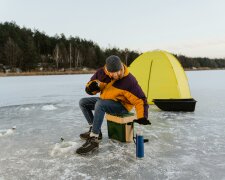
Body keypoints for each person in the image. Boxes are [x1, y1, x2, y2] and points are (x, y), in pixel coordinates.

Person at [76, 55, 150, 155]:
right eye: (113, 72)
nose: (117, 74)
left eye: (119, 70)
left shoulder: (129, 80)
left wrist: (142, 117)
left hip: (122, 106)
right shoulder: (101, 73)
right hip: (106, 101)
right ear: (108, 70)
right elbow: (89, 86)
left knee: (100, 104)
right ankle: (94, 129)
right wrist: (91, 88)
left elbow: (141, 100)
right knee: (83, 102)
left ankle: (94, 138)